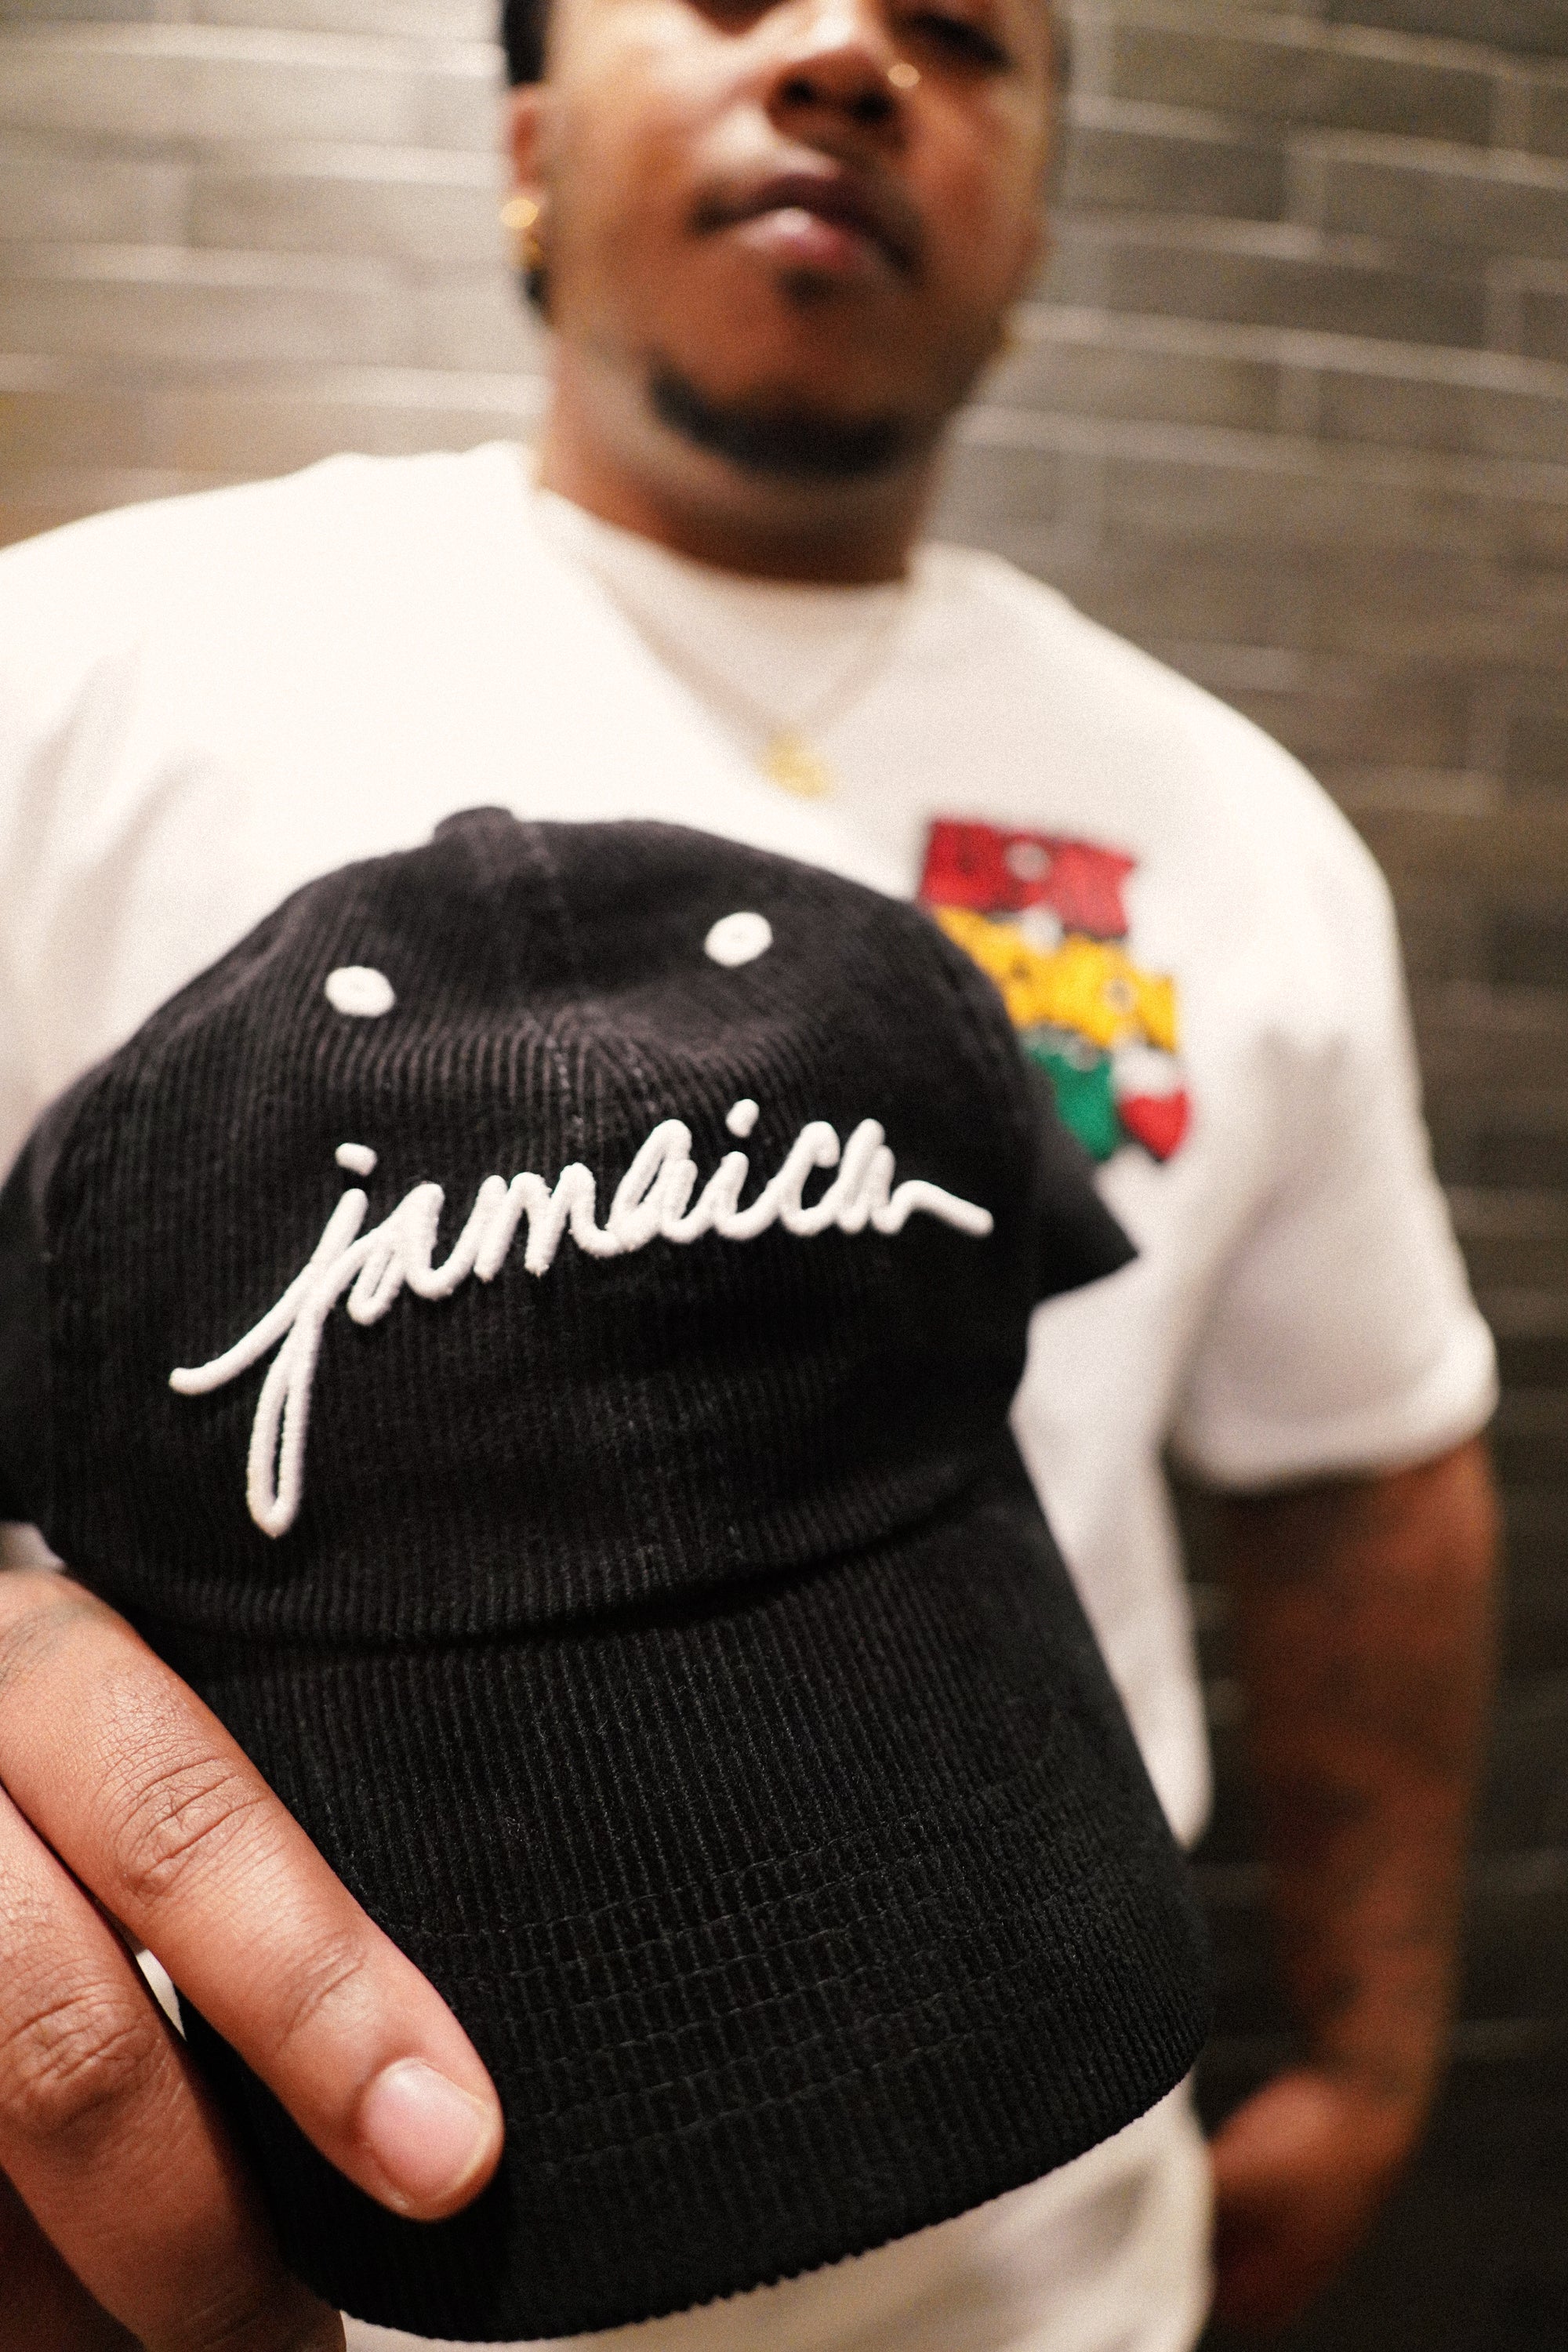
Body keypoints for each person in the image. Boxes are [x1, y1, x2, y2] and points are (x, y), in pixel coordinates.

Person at [0, 0, 1498, 2345]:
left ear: (1037, 218)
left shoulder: (1240, 827)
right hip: (279, 2272)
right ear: (527, 136)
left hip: (1061, 2226)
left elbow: (1366, 1458)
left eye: (960, 34)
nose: (844, 55)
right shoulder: (69, 681)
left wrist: (1378, 2044)